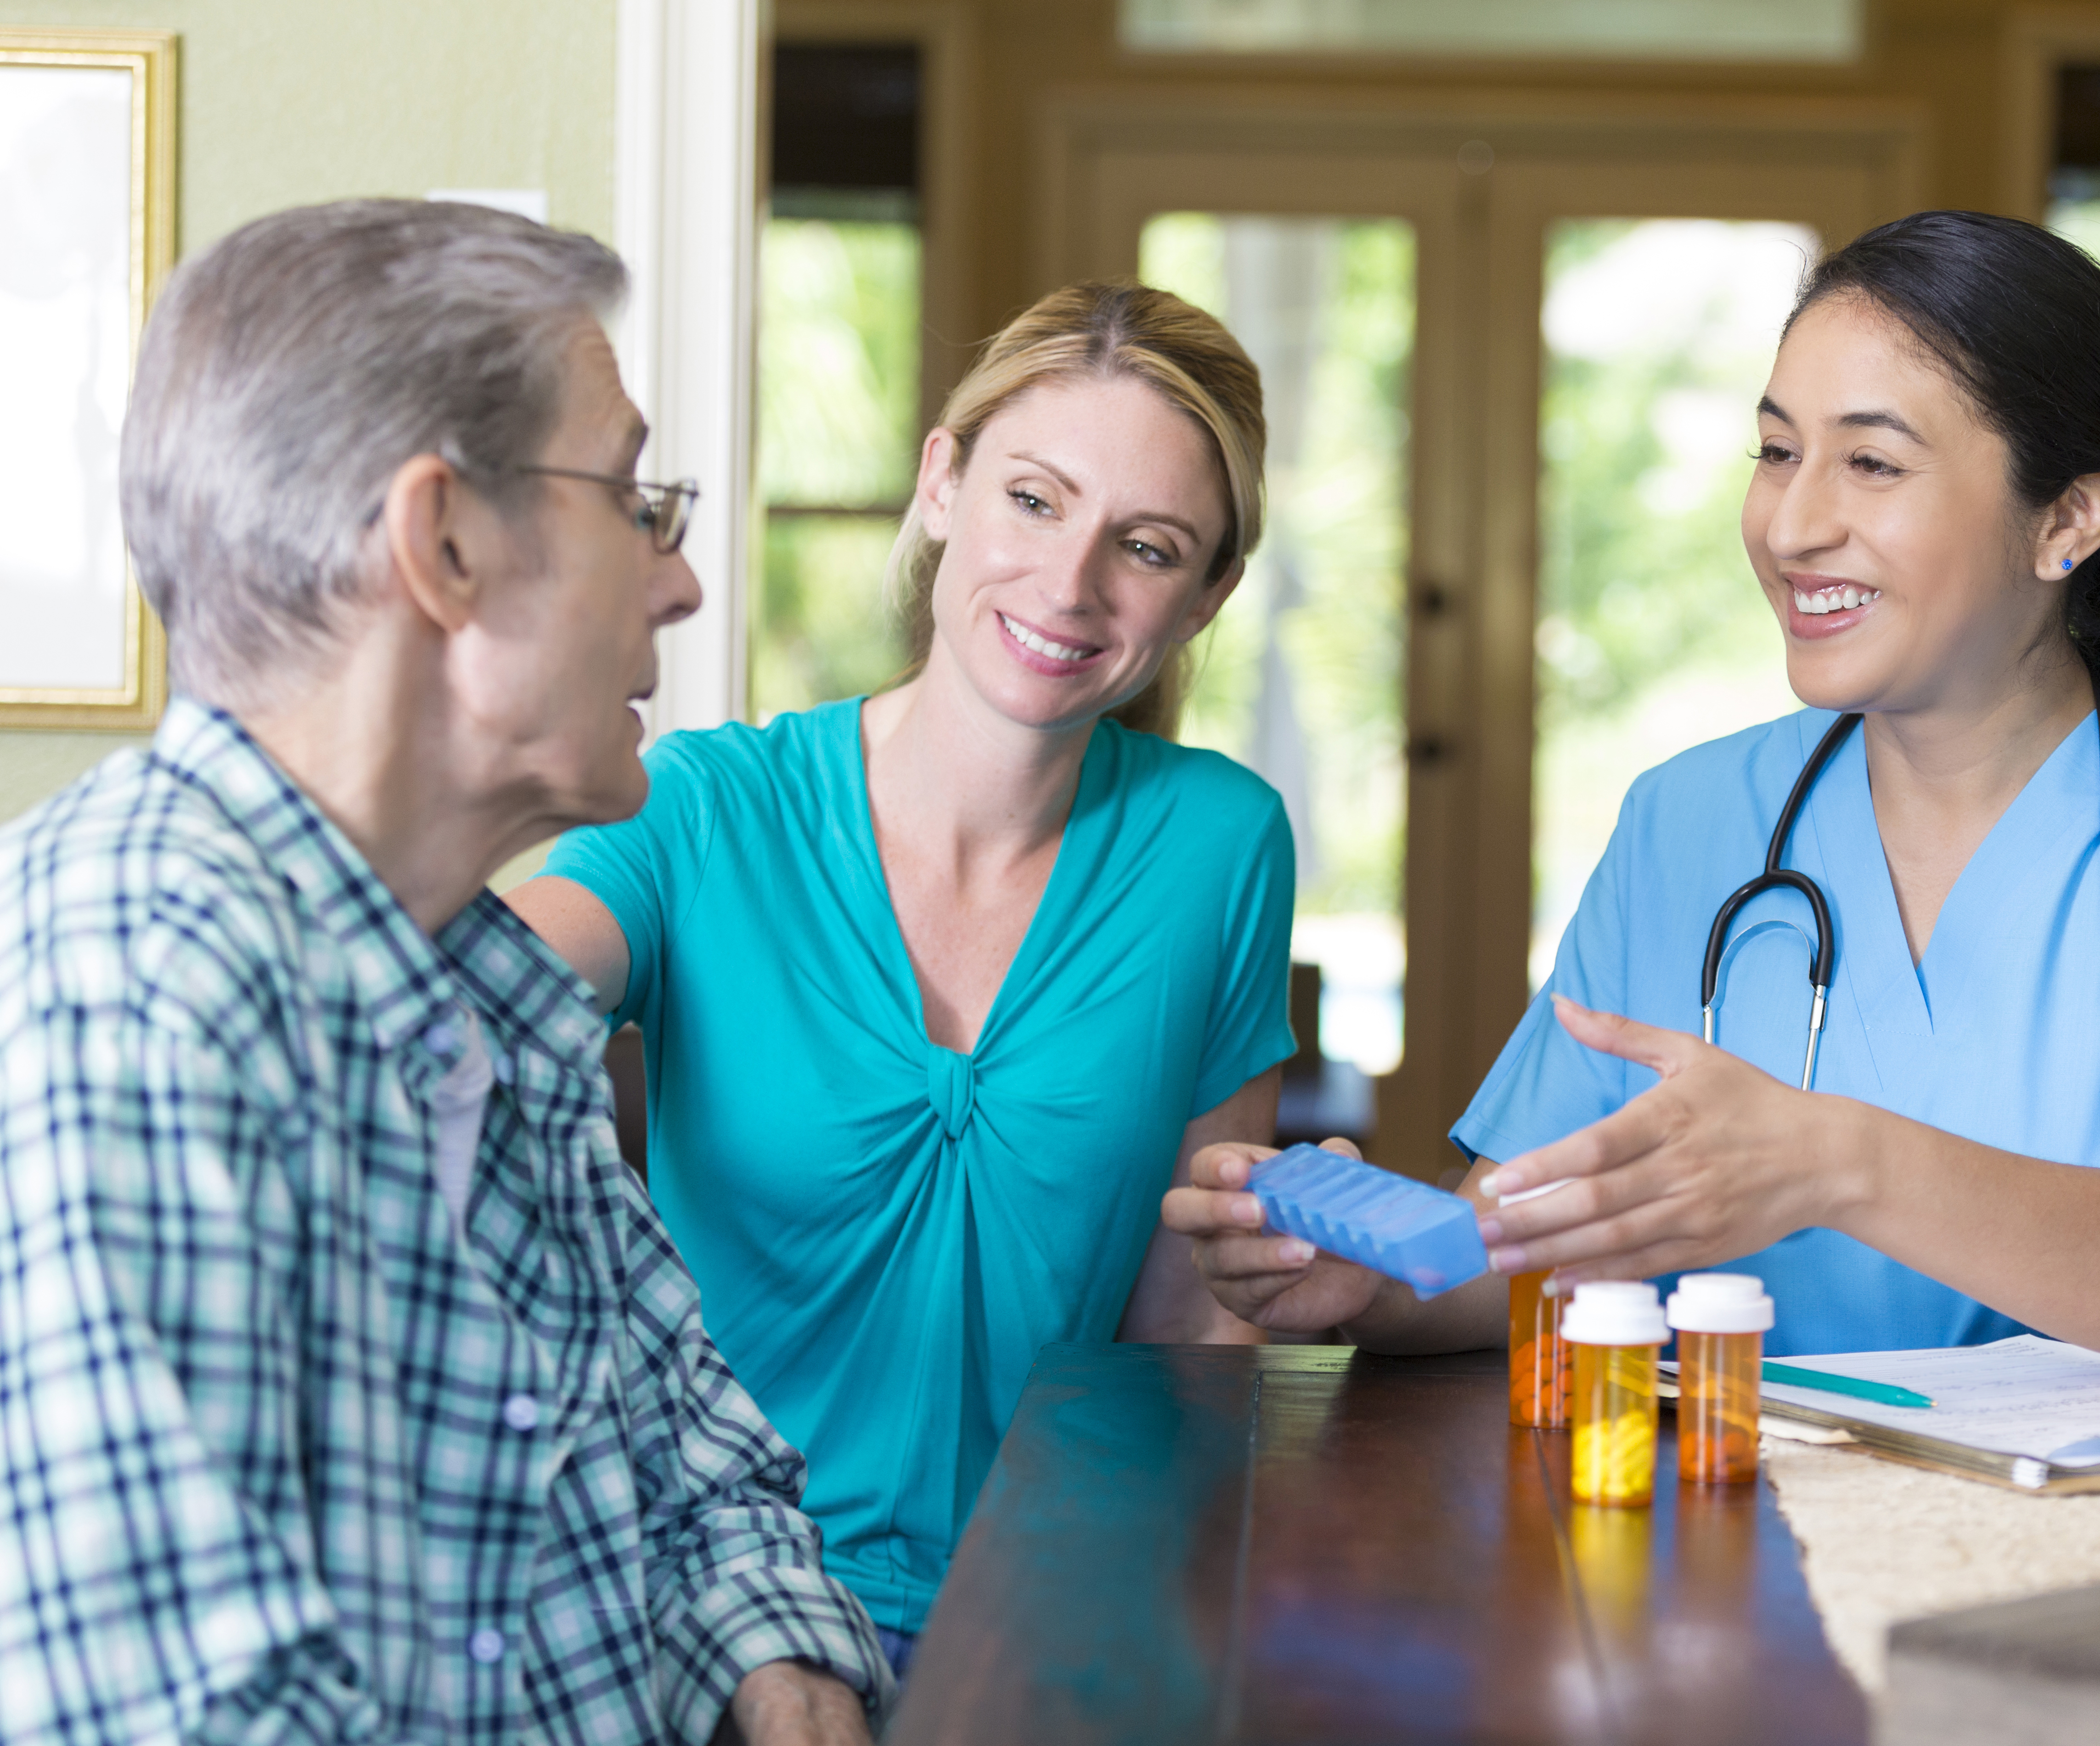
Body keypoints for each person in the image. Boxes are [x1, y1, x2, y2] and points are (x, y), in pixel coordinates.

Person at [1166, 210, 2100, 1383]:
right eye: (1778, 452)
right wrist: (1374, 1282)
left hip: (2095, 1578)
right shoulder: (1689, 823)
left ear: (2069, 519)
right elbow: (1549, 1230)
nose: (1791, 523)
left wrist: (1840, 1161)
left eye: (1873, 465)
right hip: (1730, 1547)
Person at [0, 201, 887, 1745]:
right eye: (633, 498)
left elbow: (699, 1458)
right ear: (446, 544)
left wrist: (774, 1661)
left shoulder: (487, 998)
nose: (679, 582)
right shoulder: (132, 991)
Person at [509, 281, 1294, 1671]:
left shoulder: (1220, 844)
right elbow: (468, 992)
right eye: (1034, 500)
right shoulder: (702, 808)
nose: (1068, 583)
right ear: (942, 483)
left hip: (1061, 1617)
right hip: (714, 1623)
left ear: (1209, 593)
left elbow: (1195, 1313)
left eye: (1149, 544)